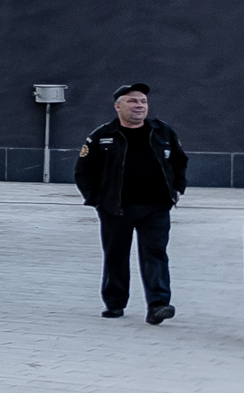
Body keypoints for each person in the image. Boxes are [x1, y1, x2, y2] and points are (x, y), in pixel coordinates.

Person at [74, 81, 188, 324]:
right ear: (118, 106)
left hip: (156, 207)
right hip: (116, 209)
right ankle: (114, 304)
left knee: (155, 254)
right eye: (132, 101)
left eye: (143, 101)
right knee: (116, 256)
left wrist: (178, 189)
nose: (139, 106)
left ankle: (158, 304)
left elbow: (180, 161)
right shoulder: (102, 136)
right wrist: (97, 201)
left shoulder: (163, 131)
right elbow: (83, 171)